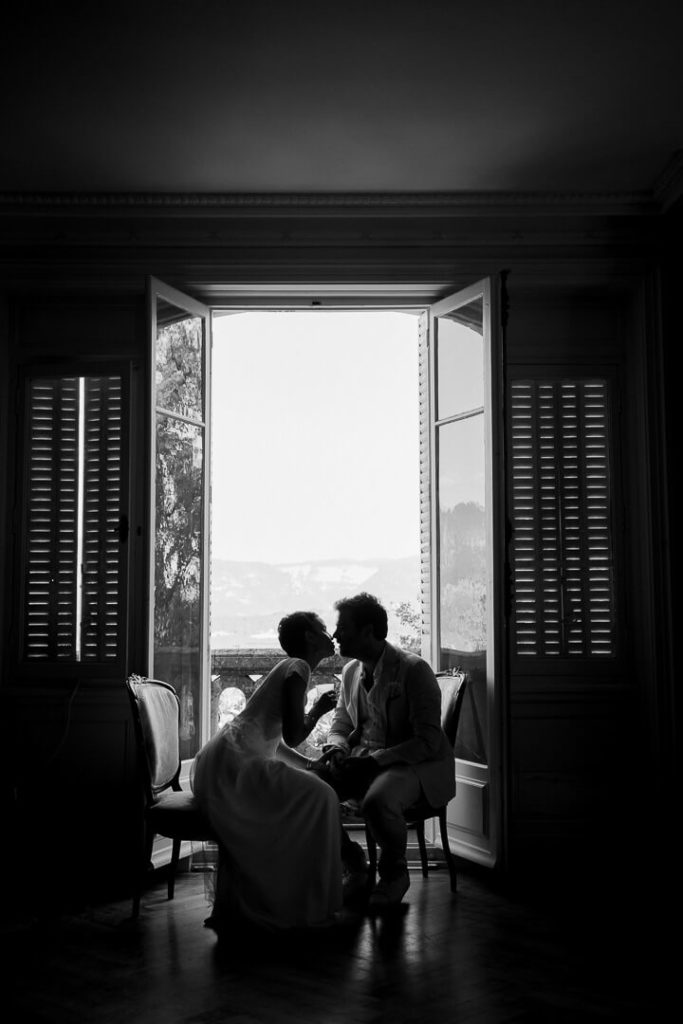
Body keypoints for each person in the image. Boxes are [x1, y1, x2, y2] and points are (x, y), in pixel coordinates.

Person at [190, 611, 343, 934]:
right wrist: (318, 710)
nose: (330, 635)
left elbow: (271, 737)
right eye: (323, 629)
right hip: (240, 762)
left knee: (313, 795)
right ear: (309, 638)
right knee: (323, 797)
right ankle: (304, 899)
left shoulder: (287, 667)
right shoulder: (298, 667)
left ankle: (279, 897)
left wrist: (309, 765)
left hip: (232, 756)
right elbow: (293, 735)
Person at [317, 592, 455, 909]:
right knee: (311, 787)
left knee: (380, 799)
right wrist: (338, 748)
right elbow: (340, 723)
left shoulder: (413, 670)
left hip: (416, 765)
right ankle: (354, 864)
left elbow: (428, 742)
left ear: (367, 631)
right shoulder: (351, 671)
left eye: (343, 627)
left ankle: (394, 874)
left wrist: (374, 763)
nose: (336, 635)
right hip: (365, 760)